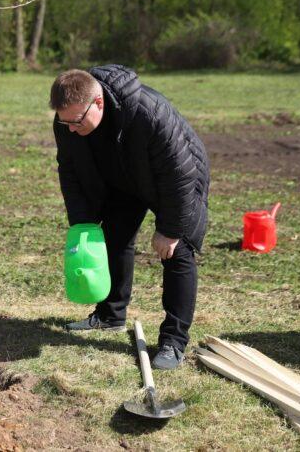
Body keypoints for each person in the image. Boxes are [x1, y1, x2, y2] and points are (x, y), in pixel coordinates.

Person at [51, 65, 209, 370]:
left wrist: (171, 229)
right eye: (64, 121)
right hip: (123, 179)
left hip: (174, 178)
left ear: (98, 102)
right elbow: (68, 169)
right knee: (114, 236)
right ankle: (110, 315)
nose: (69, 128)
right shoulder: (68, 120)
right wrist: (82, 222)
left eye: (76, 121)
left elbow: (180, 175)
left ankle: (173, 341)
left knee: (177, 251)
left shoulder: (150, 113)